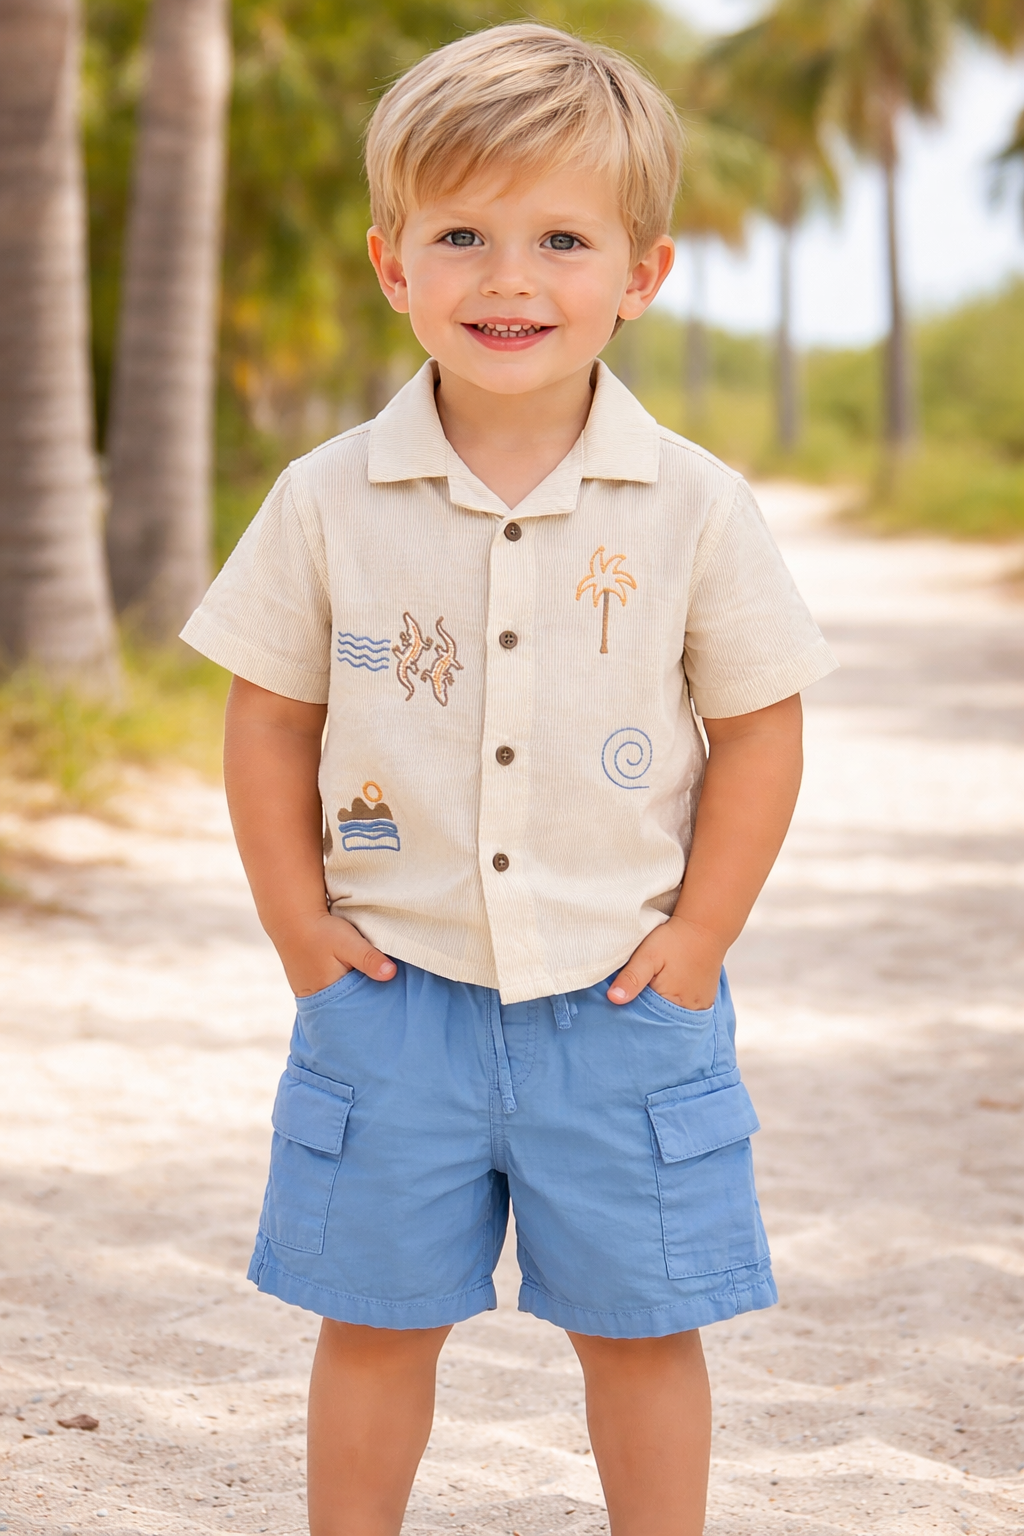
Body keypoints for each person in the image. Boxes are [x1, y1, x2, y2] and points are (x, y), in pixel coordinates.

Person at [181, 23, 837, 1536]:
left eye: (561, 238)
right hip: (389, 994)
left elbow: (761, 725)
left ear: (642, 272)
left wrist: (702, 942)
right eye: (461, 235)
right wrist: (300, 937)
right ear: (392, 263)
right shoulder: (325, 496)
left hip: (622, 1001)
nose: (510, 278)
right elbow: (270, 718)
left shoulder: (694, 506)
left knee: (641, 1323)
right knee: (374, 1316)